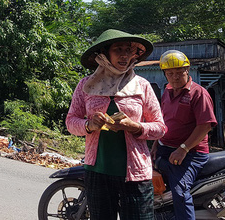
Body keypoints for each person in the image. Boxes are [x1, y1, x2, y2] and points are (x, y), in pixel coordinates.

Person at [66, 29, 166, 220]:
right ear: (104, 54)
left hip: (136, 175)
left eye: (128, 50)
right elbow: (71, 122)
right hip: (98, 172)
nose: (124, 55)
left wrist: (136, 127)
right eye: (118, 49)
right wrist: (89, 125)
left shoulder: (142, 85)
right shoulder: (86, 86)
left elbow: (160, 127)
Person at [151, 50, 217, 220]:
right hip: (166, 148)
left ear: (187, 70)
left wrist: (183, 148)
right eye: (170, 73)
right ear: (165, 74)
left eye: (179, 72)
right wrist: (156, 144)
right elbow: (165, 121)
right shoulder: (166, 91)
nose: (175, 77)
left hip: (191, 153)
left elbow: (205, 125)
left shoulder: (198, 93)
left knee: (179, 191)